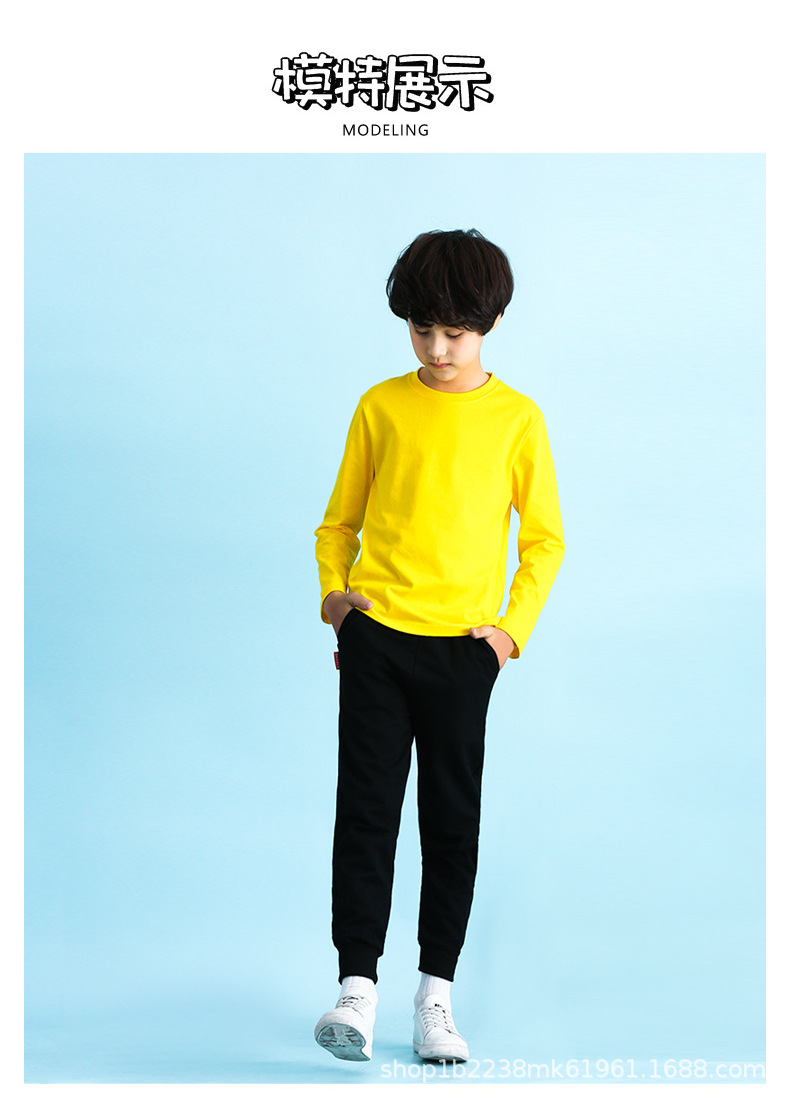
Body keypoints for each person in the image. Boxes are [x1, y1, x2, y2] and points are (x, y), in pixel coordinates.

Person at [312, 229, 564, 1063]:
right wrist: (336, 600)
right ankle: (356, 988)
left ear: (491, 323)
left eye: (455, 332)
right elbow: (338, 523)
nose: (437, 348)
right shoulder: (380, 406)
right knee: (366, 813)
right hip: (377, 640)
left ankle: (435, 996)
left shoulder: (517, 419)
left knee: (450, 822)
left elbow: (545, 541)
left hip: (463, 651)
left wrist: (508, 634)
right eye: (423, 329)